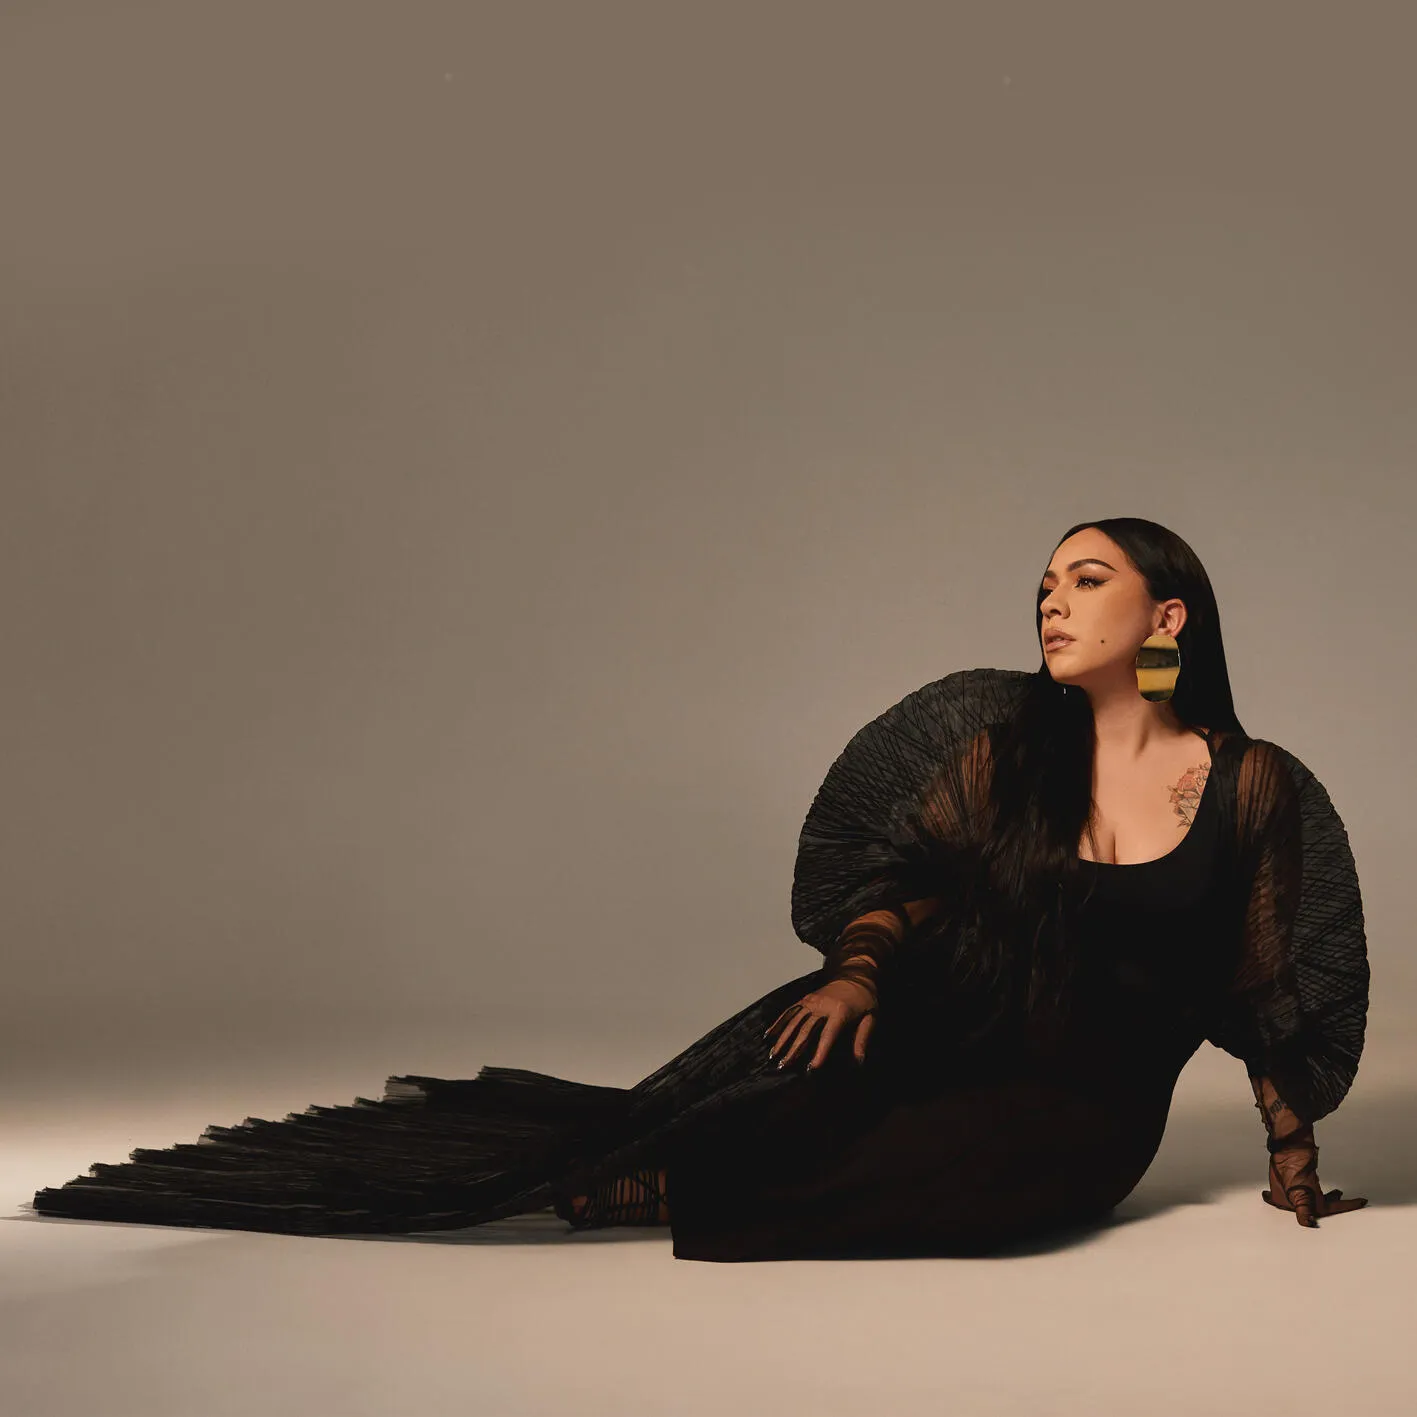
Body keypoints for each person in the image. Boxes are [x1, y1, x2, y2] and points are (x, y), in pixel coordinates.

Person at [27, 517, 1370, 1259]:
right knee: (793, 1081)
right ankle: (635, 1170)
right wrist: (858, 974)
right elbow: (909, 886)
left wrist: (1291, 1156)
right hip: (950, 1025)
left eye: (1087, 580)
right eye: (1043, 584)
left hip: (1080, 1116)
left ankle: (674, 1191)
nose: (1052, 604)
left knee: (995, 1190)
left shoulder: (1251, 788)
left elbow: (1263, 985)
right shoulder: (1002, 750)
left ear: (1168, 620)